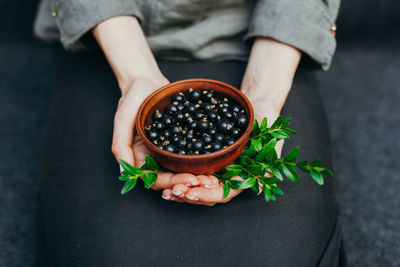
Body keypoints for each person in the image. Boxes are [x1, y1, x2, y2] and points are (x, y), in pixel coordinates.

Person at [34, 0, 346, 266]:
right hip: (109, 32)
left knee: (288, 255)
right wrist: (135, 76)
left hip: (262, 39)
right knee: (98, 253)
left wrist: (263, 93)